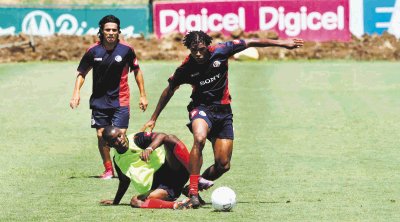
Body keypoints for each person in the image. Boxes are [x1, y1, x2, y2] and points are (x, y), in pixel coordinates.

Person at [141, 31, 304, 208]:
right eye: (193, 50)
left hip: (224, 112)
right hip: (201, 108)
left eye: (201, 49)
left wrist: (283, 43)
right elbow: (169, 90)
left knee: (223, 164)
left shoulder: (222, 50)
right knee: (199, 138)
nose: (197, 54)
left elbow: (251, 41)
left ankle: (191, 187)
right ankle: (194, 193)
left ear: (207, 46)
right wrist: (153, 118)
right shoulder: (186, 68)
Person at [69, 15, 148, 179]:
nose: (111, 33)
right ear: (101, 31)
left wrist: (142, 95)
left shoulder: (126, 50)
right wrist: (76, 93)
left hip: (121, 100)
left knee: (119, 138)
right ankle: (108, 169)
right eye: (107, 30)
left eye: (114, 30)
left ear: (118, 31)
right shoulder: (93, 51)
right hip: (99, 102)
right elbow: (82, 73)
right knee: (101, 136)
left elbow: (137, 71)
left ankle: (127, 168)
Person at [100, 126, 213, 209]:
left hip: (172, 169)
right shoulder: (118, 160)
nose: (120, 140)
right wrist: (116, 201)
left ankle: (195, 179)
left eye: (119, 136)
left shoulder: (137, 138)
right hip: (160, 188)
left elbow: (162, 136)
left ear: (123, 133)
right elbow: (124, 181)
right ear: (109, 145)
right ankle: (177, 204)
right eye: (114, 140)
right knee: (135, 201)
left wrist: (149, 148)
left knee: (170, 138)